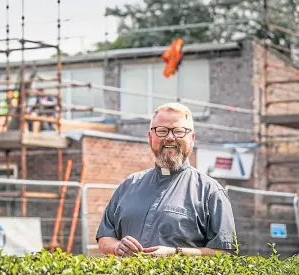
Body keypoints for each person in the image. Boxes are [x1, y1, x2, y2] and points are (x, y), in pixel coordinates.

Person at [96, 102, 236, 257]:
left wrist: (176, 254)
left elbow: (225, 254)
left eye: (178, 131)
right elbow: (104, 237)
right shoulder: (130, 185)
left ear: (192, 138)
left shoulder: (210, 192)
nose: (170, 137)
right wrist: (117, 247)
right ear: (150, 137)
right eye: (161, 131)